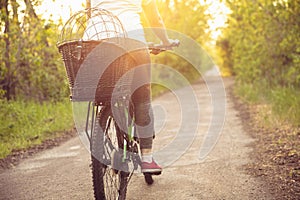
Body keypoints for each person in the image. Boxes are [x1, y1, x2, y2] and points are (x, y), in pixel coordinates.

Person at [89, 0, 174, 174]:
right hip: (131, 40)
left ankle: (98, 152)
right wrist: (165, 41)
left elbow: (89, 13)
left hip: (94, 42)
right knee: (142, 96)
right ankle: (147, 160)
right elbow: (155, 19)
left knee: (104, 90)